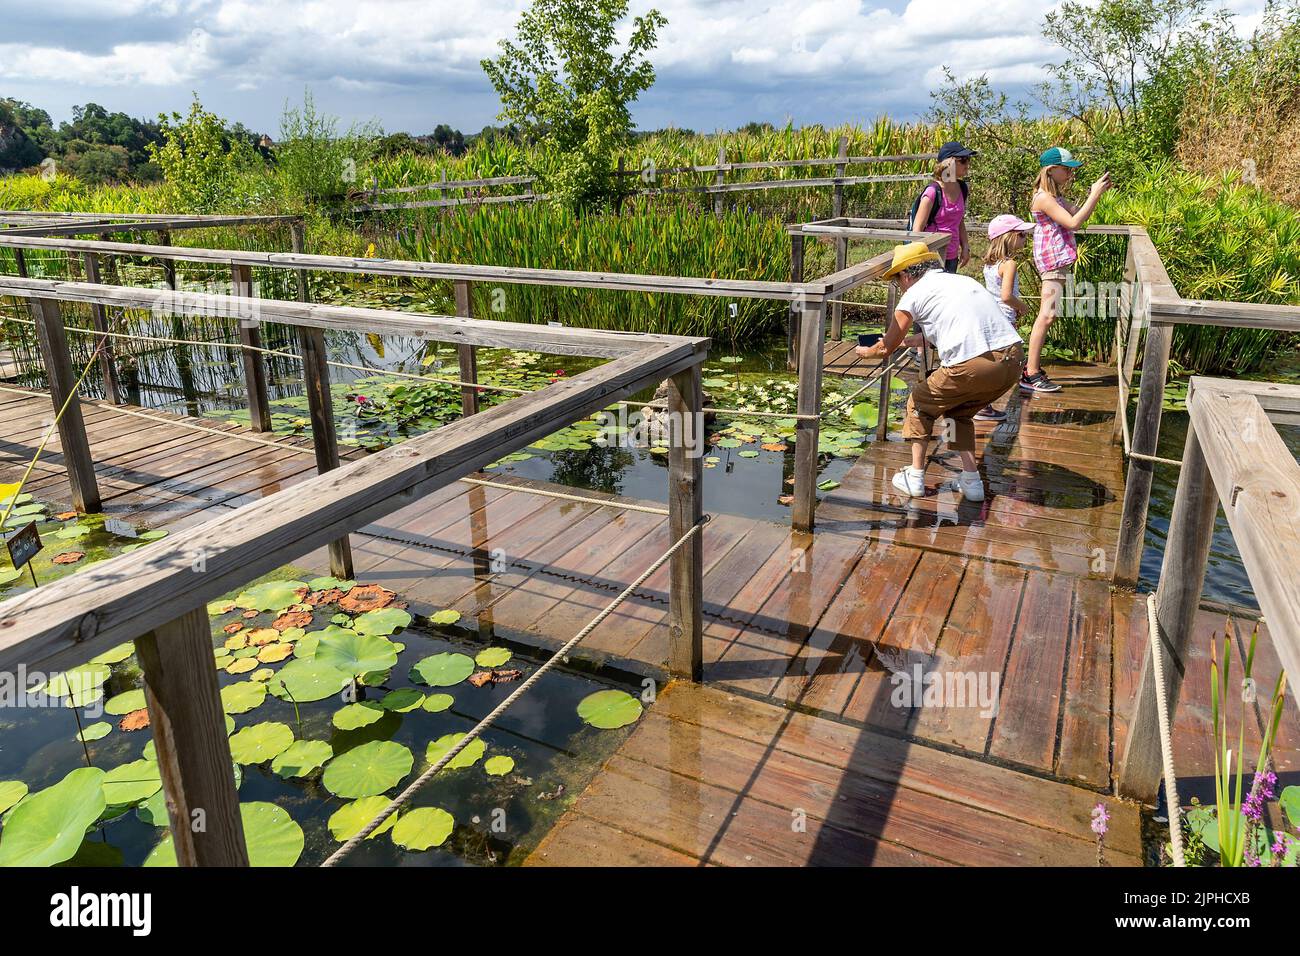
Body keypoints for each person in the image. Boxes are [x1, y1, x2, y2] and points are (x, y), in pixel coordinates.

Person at [856, 242, 1023, 502]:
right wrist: (907, 341)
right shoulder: (963, 281)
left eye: (897, 280)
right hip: (1012, 360)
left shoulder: (913, 294)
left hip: (972, 365)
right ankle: (971, 481)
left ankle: (915, 477)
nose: (900, 286)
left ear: (907, 274)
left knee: (919, 403)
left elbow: (885, 347)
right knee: (958, 413)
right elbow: (956, 326)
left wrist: (866, 352)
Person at [1022, 146, 1112, 393]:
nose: (1071, 174)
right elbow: (1073, 223)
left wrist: (1097, 193)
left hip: (1058, 261)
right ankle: (1030, 373)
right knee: (1047, 315)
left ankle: (1031, 370)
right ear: (1051, 170)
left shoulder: (1055, 197)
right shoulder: (1043, 198)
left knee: (1049, 315)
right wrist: (1093, 194)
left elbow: (1079, 215)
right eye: (1067, 169)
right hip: (1052, 262)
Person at [909, 141, 975, 273]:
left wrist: (965, 246)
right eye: (962, 160)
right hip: (931, 256)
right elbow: (917, 229)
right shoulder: (933, 192)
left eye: (968, 160)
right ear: (948, 163)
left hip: (952, 255)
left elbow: (959, 220)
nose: (967, 165)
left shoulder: (962, 188)